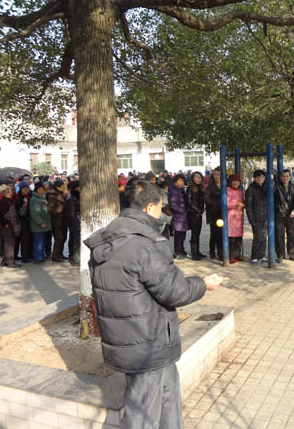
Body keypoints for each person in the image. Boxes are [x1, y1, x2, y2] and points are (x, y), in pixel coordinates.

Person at [84, 180, 224, 429]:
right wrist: (203, 284)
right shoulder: (145, 244)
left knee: (168, 398)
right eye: (160, 207)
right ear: (149, 208)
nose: (162, 212)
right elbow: (175, 292)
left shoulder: (109, 238)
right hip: (147, 342)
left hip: (131, 339)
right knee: (142, 414)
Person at [274, 169, 294, 263]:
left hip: (290, 215)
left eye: (287, 176)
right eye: (283, 176)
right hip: (279, 215)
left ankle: (292, 253)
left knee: (291, 235)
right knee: (279, 235)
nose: (285, 178)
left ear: (290, 177)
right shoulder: (276, 188)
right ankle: (280, 254)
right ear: (281, 177)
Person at [245, 170, 268, 265]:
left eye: (262, 177)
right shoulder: (251, 189)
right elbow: (248, 206)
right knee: (257, 238)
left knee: (264, 238)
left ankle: (262, 255)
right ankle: (254, 257)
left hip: (265, 217)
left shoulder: (267, 188)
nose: (260, 179)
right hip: (256, 218)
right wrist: (252, 220)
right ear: (254, 178)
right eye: (258, 177)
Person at [0, 184, 21, 268]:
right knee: (10, 244)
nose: (10, 193)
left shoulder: (9, 200)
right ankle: (10, 262)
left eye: (10, 192)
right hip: (7, 226)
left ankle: (4, 261)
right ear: (3, 193)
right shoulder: (3, 202)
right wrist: (5, 223)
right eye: (8, 192)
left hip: (11, 224)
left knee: (8, 243)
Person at [30, 183, 52, 263]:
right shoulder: (34, 199)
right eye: (40, 189)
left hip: (45, 225)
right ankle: (37, 258)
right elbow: (34, 213)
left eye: (43, 189)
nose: (42, 191)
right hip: (39, 226)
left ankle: (41, 256)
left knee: (42, 242)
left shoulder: (42, 198)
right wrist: (40, 222)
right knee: (38, 242)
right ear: (36, 190)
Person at [186, 171, 206, 260]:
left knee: (198, 233)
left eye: (200, 177)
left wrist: (201, 210)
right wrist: (197, 210)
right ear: (193, 178)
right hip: (192, 214)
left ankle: (197, 251)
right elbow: (189, 202)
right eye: (196, 177)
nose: (198, 179)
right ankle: (194, 253)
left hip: (199, 213)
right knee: (194, 234)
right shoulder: (190, 188)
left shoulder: (200, 187)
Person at [169, 174, 189, 259]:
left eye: (182, 181)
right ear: (175, 182)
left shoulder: (181, 190)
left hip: (182, 217)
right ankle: (177, 252)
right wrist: (182, 211)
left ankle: (181, 250)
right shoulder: (173, 191)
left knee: (182, 235)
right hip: (177, 216)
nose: (181, 182)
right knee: (178, 235)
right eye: (179, 181)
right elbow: (173, 205)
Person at [47, 180, 68, 262]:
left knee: (63, 238)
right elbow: (51, 209)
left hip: (63, 220)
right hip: (57, 221)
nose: (64, 188)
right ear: (57, 187)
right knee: (59, 239)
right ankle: (55, 256)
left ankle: (60, 254)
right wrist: (60, 211)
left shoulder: (61, 193)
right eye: (62, 186)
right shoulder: (52, 195)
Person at [205, 168, 223, 261]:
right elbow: (206, 199)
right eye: (215, 174)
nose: (216, 177)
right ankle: (212, 252)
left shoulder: (225, 185)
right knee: (214, 234)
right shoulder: (210, 186)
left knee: (221, 234)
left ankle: (221, 253)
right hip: (213, 213)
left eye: (218, 174)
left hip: (223, 213)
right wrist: (217, 203)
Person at [227, 173, 245, 264]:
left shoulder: (240, 191)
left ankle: (237, 254)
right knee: (231, 238)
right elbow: (225, 203)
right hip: (230, 217)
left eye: (237, 181)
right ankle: (230, 256)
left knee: (238, 237)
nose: (235, 183)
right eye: (233, 181)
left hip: (239, 217)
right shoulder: (227, 191)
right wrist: (235, 204)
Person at [15, 181, 33, 262]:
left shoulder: (30, 196)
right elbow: (21, 213)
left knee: (30, 239)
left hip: (30, 221)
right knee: (24, 240)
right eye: (24, 189)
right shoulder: (19, 199)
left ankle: (29, 254)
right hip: (23, 222)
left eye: (27, 188)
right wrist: (25, 205)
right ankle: (24, 256)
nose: (26, 190)